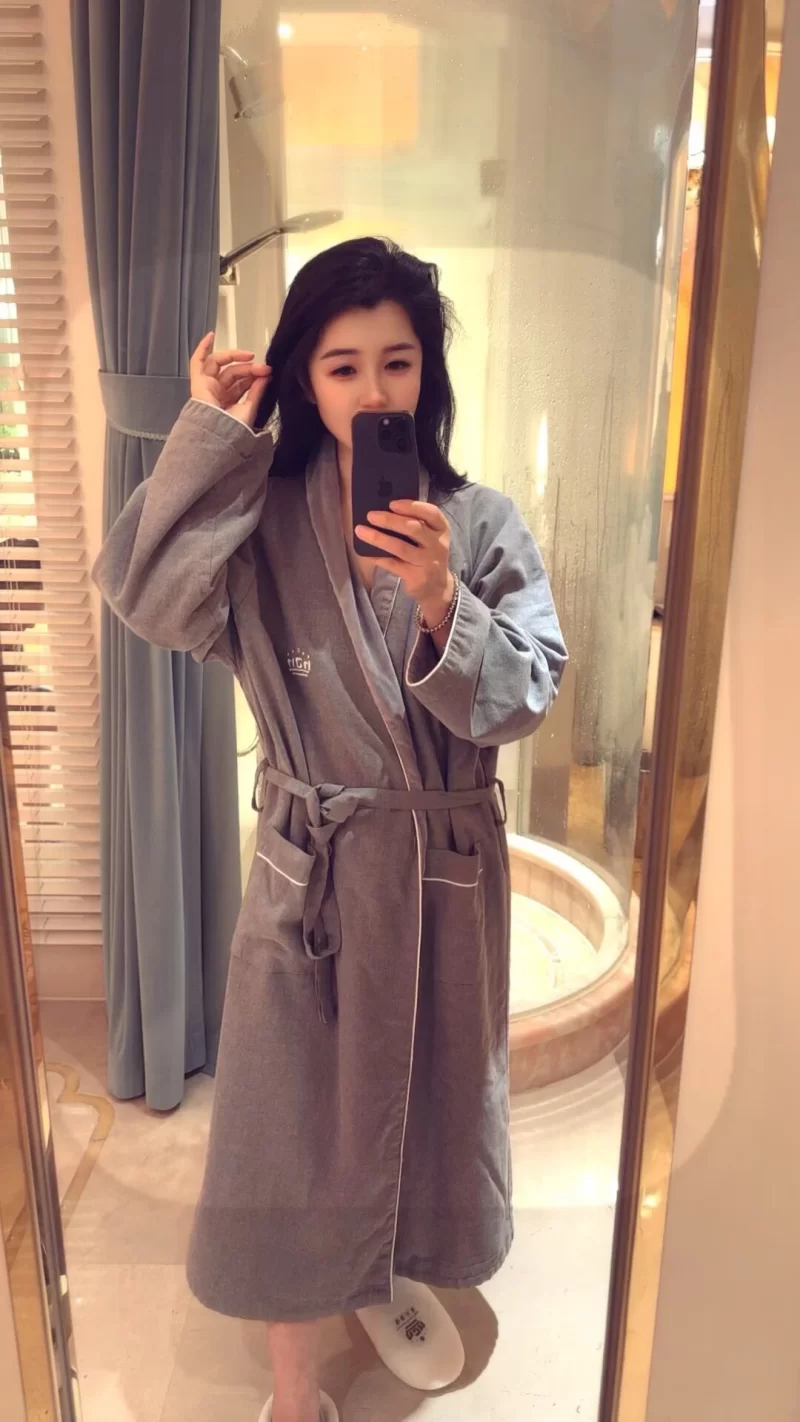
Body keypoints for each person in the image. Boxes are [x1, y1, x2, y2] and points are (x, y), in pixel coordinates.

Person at [93, 237, 567, 1422]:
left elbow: (528, 694)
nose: (371, 391)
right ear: (304, 380)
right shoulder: (257, 519)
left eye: (395, 363)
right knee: (290, 1134)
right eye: (341, 366)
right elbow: (147, 598)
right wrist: (213, 434)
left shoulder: (480, 522)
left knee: (418, 1115)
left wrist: (441, 601)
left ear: (426, 375)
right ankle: (293, 1387)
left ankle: (383, 1276)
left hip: (438, 877)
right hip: (310, 874)